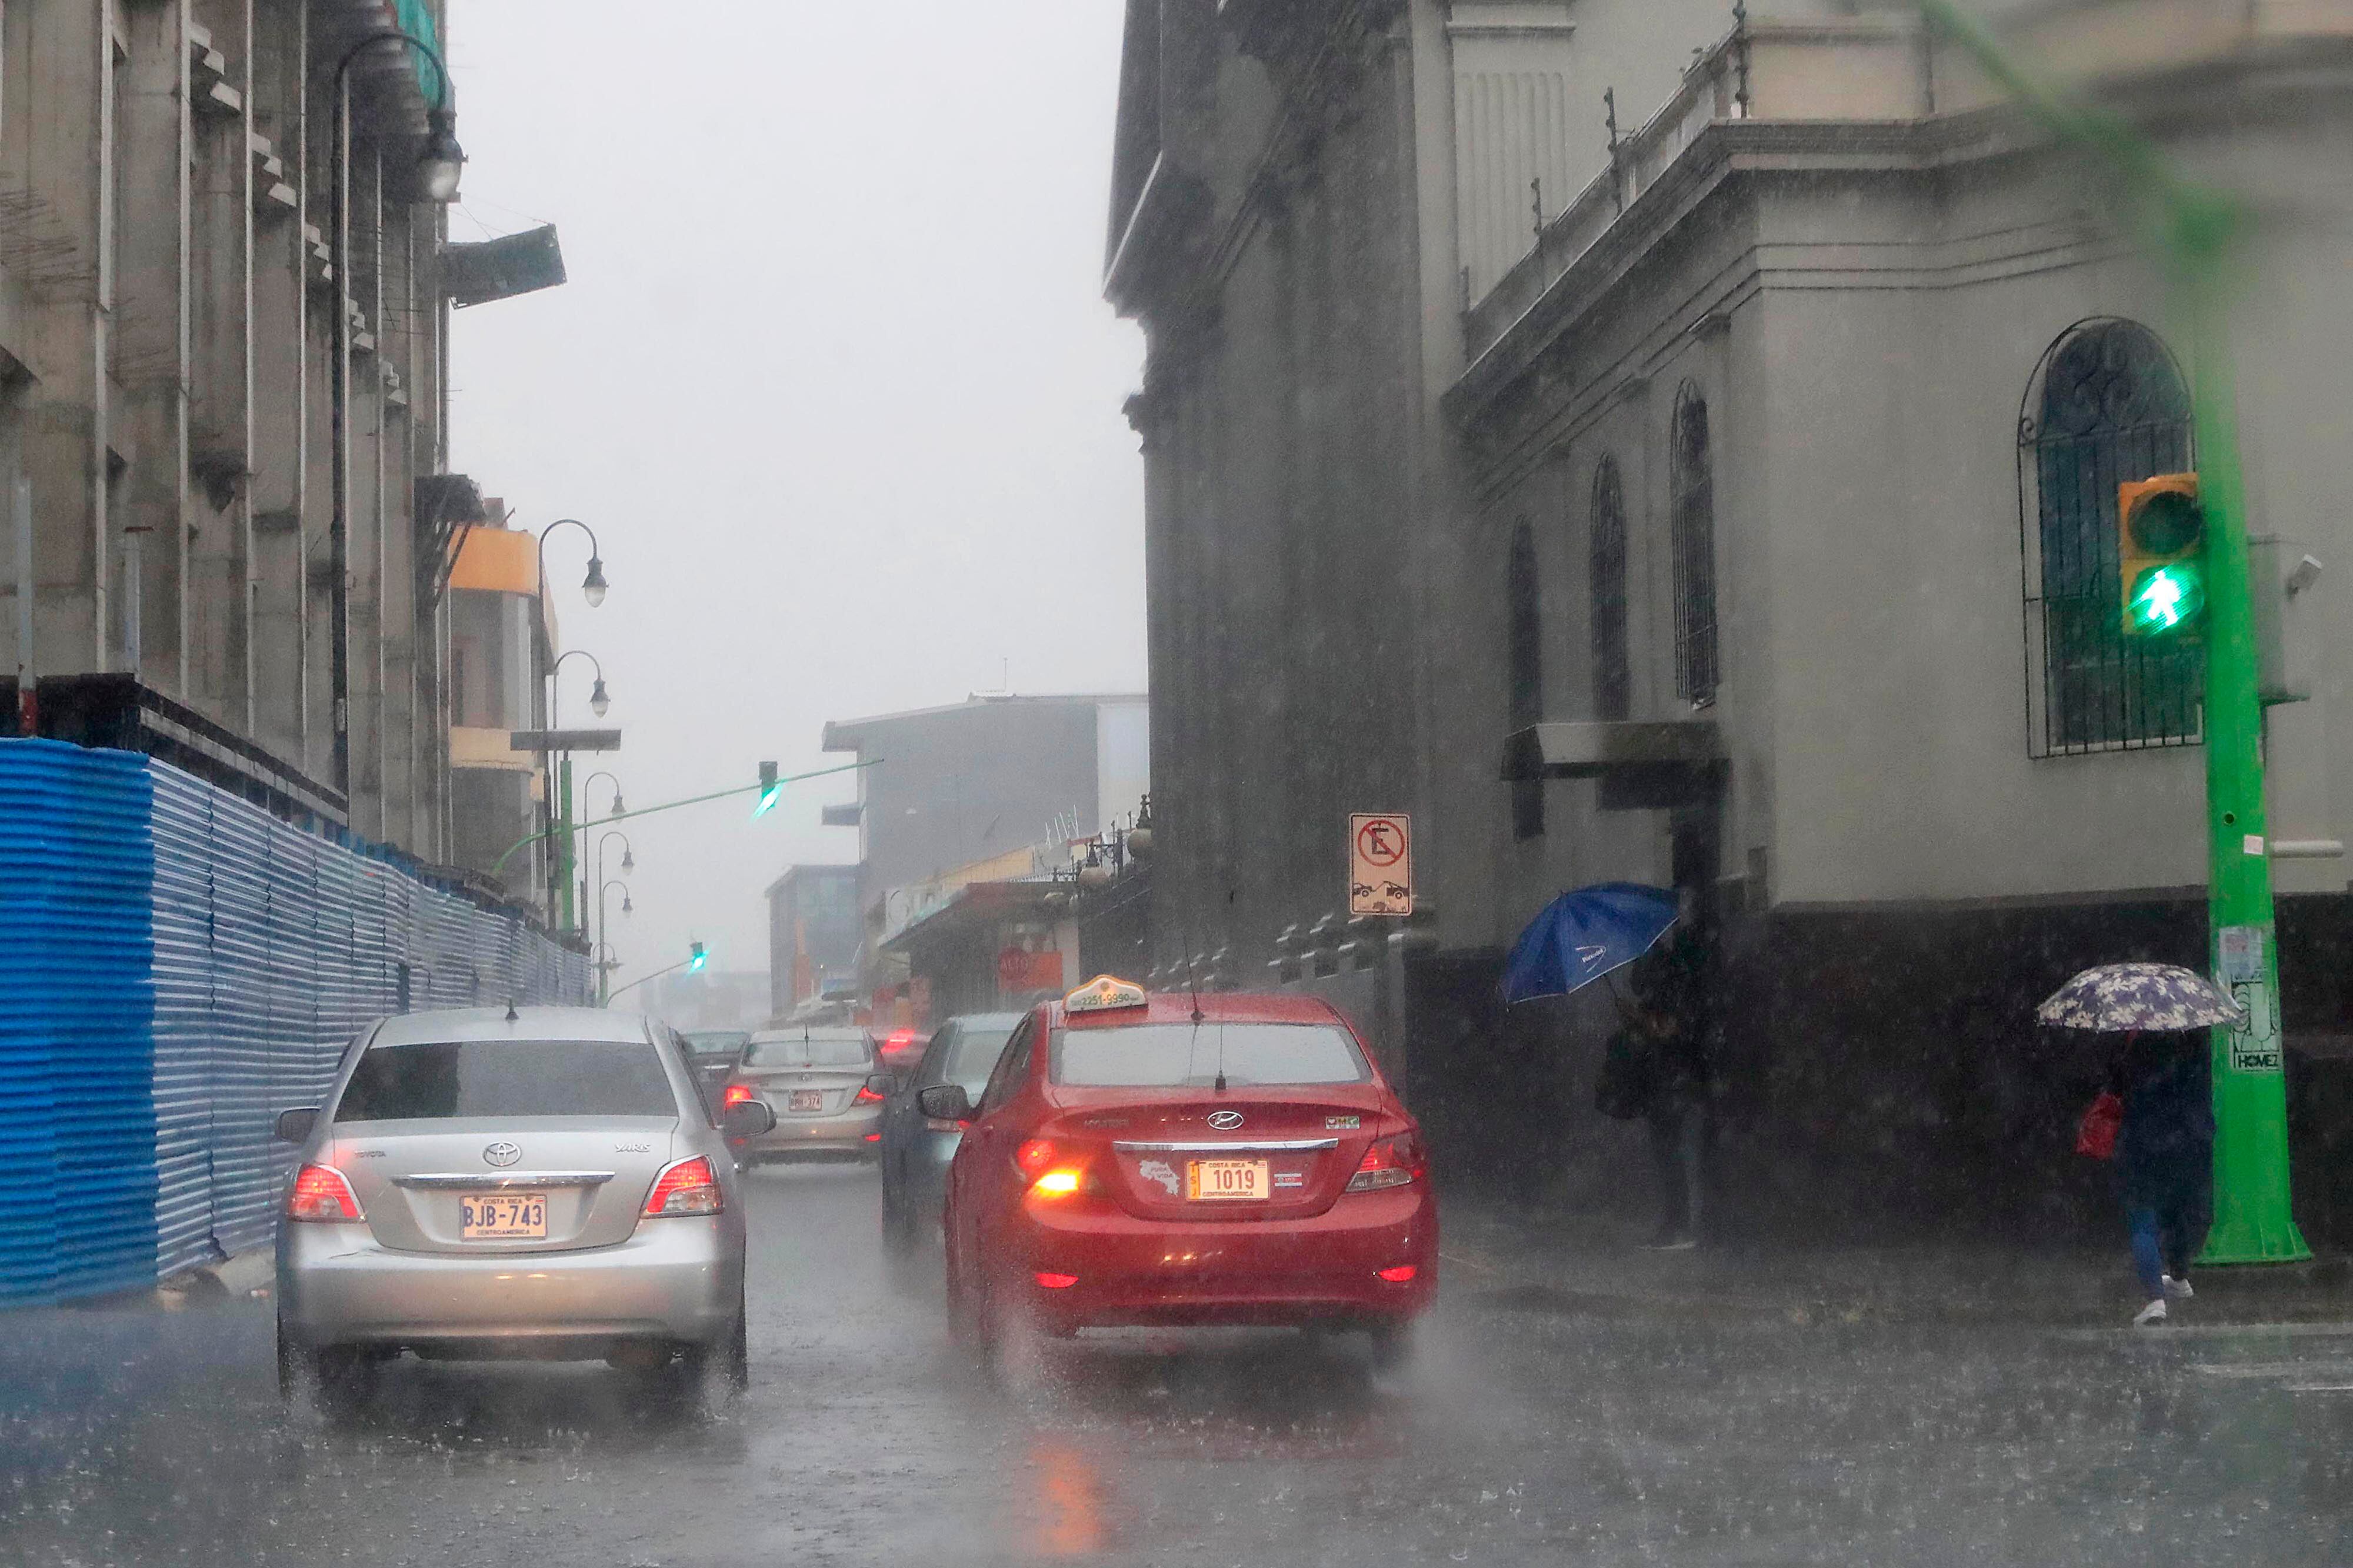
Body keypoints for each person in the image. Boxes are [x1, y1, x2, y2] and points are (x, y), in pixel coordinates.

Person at [2110, 1029, 2214, 1327]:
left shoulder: (2137, 1046)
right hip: (2191, 1142)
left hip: (2146, 1143)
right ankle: (2179, 1277)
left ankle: (2155, 1300)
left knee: (2143, 1219)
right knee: (2182, 1212)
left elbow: (2117, 1089)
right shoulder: (2195, 1041)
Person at [1630, 909, 1716, 1251]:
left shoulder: (1673, 978)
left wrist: (1644, 1022)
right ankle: (1684, 1223)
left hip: (1674, 1078)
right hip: (1671, 1078)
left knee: (1677, 1153)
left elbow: (1670, 1030)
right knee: (1675, 1152)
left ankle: (1685, 1224)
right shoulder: (1675, 972)